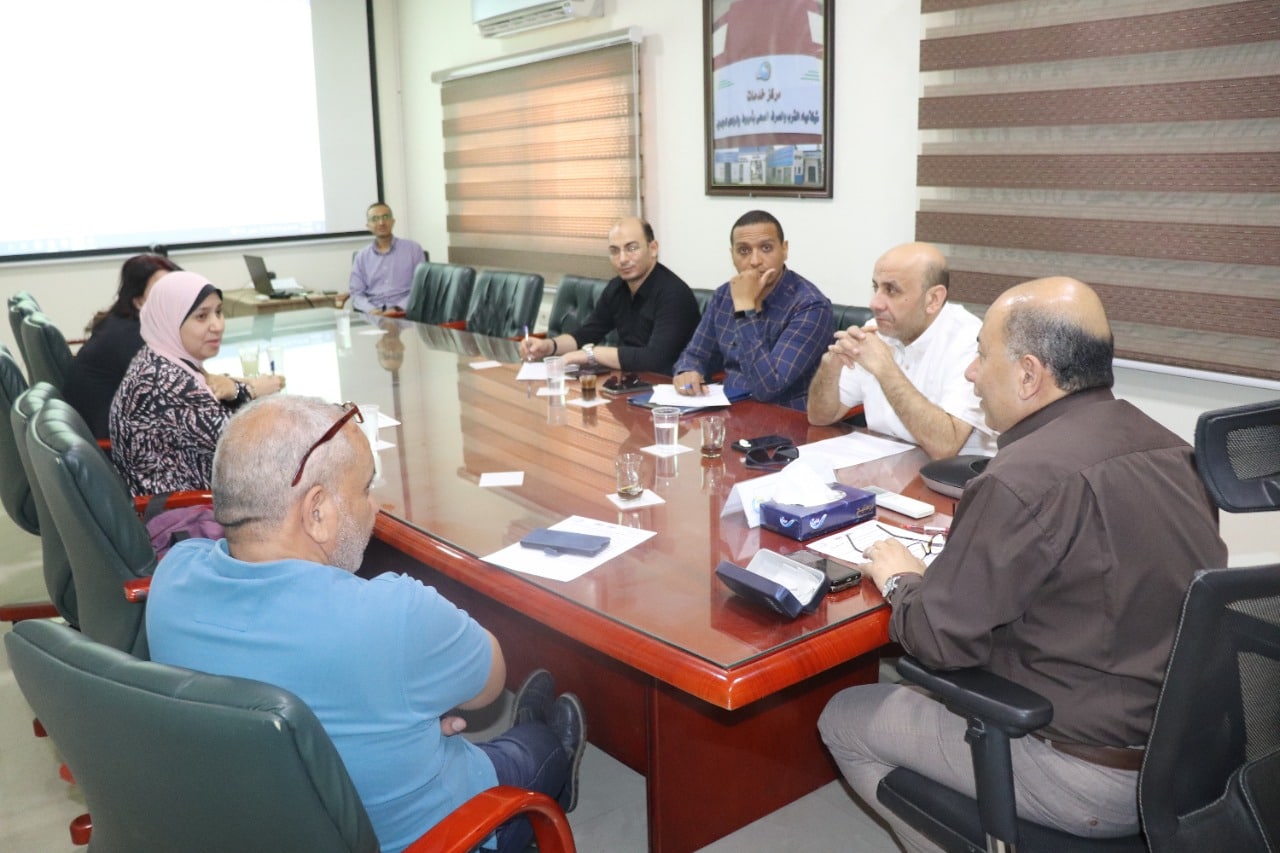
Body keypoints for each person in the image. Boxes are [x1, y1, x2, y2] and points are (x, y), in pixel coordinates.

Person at [817, 277, 1227, 850]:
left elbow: (935, 640)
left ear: (1030, 374)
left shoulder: (1021, 478)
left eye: (982, 355)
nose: (971, 373)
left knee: (844, 717)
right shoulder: (1174, 449)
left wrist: (901, 577)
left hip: (1088, 774)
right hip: (1188, 756)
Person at [145, 395, 586, 853]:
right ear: (316, 512)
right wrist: (417, 688)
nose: (374, 507)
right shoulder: (391, 614)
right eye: (365, 488)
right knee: (537, 746)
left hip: (255, 822)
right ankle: (548, 757)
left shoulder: (172, 578)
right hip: (429, 836)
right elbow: (490, 683)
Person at [805, 242, 996, 458]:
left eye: (891, 290)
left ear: (933, 299)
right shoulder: (877, 329)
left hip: (956, 473)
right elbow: (819, 417)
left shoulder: (970, 341)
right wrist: (830, 366)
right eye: (876, 287)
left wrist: (885, 369)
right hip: (886, 462)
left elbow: (945, 447)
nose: (875, 303)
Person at [109, 271, 285, 497]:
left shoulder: (160, 358)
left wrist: (235, 388)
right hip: (186, 509)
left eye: (219, 312)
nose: (217, 325)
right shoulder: (167, 381)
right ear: (171, 320)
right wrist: (248, 390)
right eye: (202, 316)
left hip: (186, 498)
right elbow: (248, 446)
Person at [672, 210, 832, 410]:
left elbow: (767, 388)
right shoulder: (724, 295)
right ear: (732, 255)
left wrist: (744, 308)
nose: (755, 261)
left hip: (784, 417)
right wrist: (687, 371)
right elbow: (695, 354)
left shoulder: (811, 306)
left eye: (766, 248)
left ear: (784, 250)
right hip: (728, 409)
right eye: (744, 250)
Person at [519, 217, 701, 375]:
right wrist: (549, 346)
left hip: (669, 389)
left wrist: (592, 354)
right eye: (614, 251)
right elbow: (585, 335)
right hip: (629, 382)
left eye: (632, 248)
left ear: (653, 249)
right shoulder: (617, 288)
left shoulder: (674, 294)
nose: (622, 259)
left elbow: (654, 360)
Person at [62, 253, 180, 439]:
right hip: (111, 442)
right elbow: (173, 395)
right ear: (138, 301)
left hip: (107, 430)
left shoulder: (120, 322)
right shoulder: (132, 336)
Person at [343, 202, 425, 315]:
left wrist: (397, 309)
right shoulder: (361, 257)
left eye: (385, 217)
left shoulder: (413, 249)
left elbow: (421, 288)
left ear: (393, 221)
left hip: (405, 314)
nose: (381, 223)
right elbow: (356, 294)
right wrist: (372, 310)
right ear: (368, 226)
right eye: (375, 219)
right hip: (373, 315)